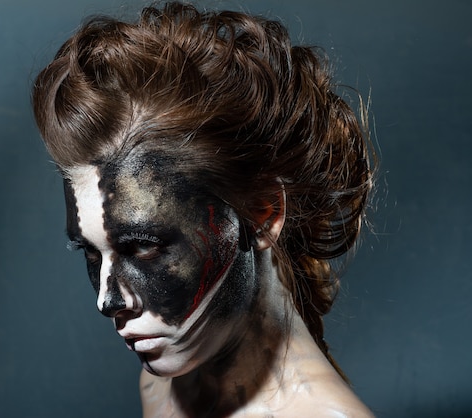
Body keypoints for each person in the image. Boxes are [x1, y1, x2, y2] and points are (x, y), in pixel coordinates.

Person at [32, 1, 375, 416]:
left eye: (142, 248)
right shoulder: (166, 389)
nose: (107, 301)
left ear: (264, 215)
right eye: (91, 252)